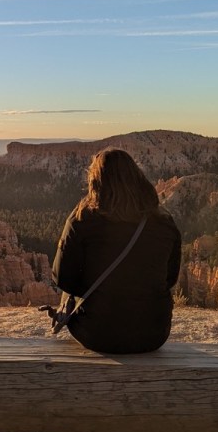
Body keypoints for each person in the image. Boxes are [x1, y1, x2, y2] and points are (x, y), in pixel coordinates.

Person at [43, 148, 181, 354]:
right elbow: (170, 279)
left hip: (97, 334)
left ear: (95, 181)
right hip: (154, 334)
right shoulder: (164, 221)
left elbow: (63, 279)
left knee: (67, 295)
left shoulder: (82, 218)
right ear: (138, 177)